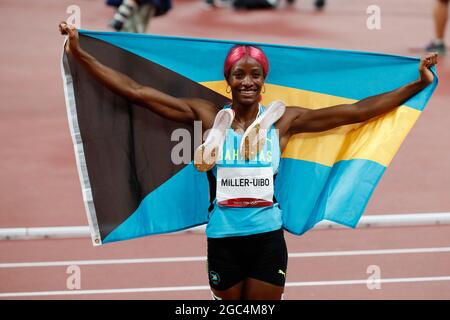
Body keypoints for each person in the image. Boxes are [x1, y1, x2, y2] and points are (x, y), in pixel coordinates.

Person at [59, 22, 437, 300]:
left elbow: (356, 112)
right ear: (228, 82)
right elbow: (138, 92)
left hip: (268, 238)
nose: (247, 82)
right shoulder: (207, 116)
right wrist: (81, 53)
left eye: (255, 75)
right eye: (239, 75)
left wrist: (415, 84)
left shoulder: (285, 119)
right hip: (223, 237)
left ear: (263, 82)